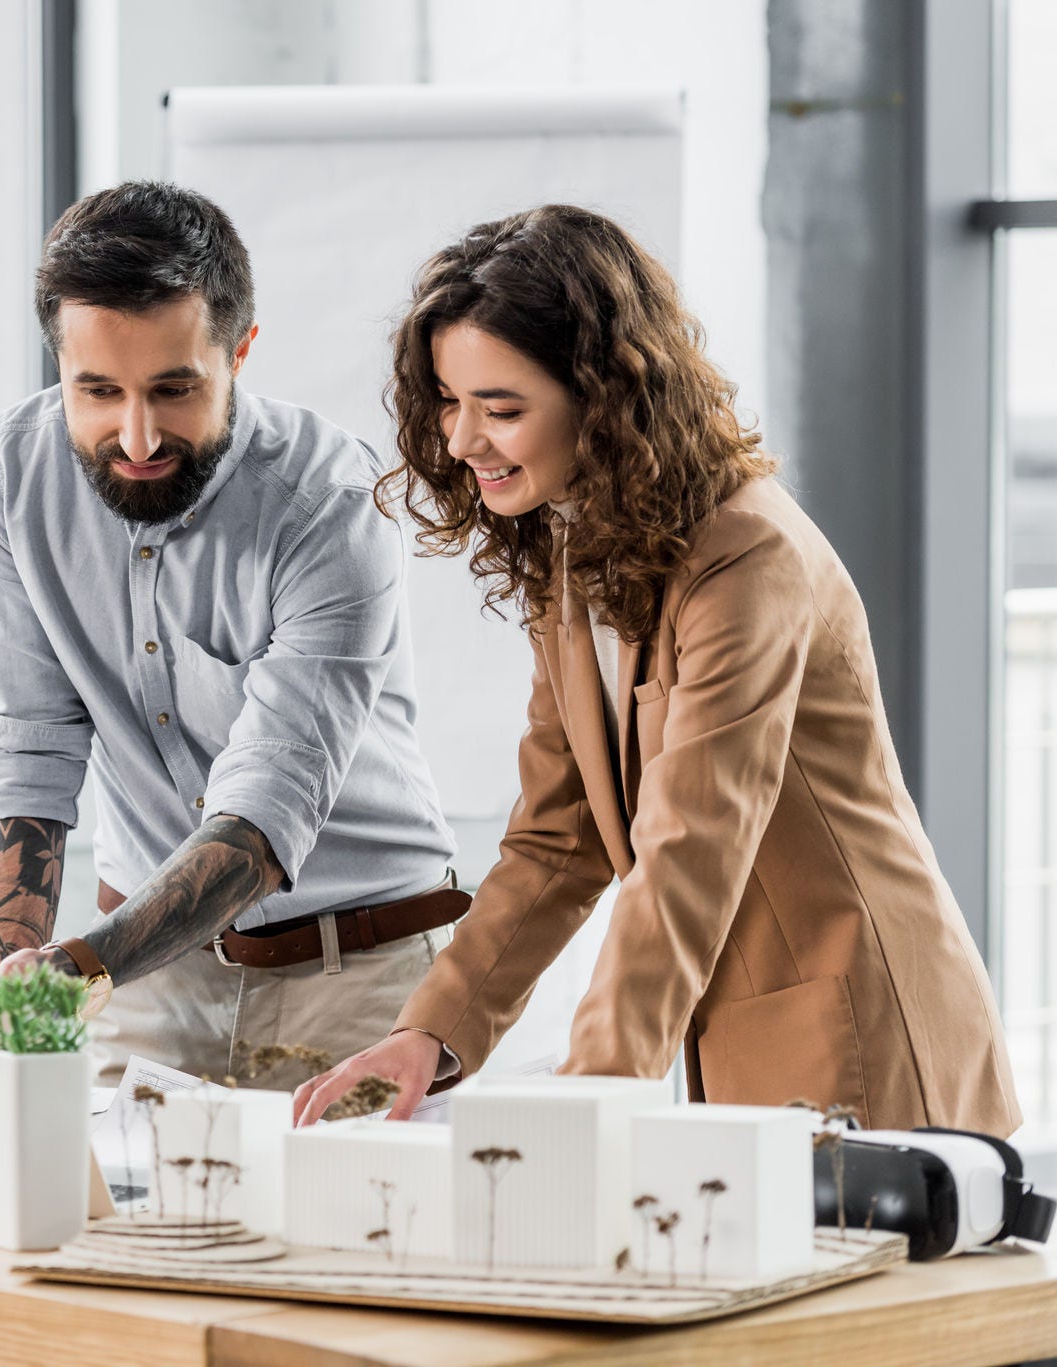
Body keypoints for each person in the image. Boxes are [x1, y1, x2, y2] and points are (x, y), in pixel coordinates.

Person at [294, 204, 1020, 1134]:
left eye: (501, 408)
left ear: (602, 400)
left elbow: (690, 849)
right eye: (449, 400)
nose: (462, 439)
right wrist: (429, 1034)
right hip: (738, 1038)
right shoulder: (573, 549)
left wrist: (587, 1099)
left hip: (863, 1035)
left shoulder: (745, 554)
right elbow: (558, 840)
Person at [0, 181, 462, 1086]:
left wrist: (77, 967)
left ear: (241, 352)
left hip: (357, 977)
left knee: (355, 1231)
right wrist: (5, 997)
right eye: (98, 391)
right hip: (144, 982)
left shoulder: (330, 500)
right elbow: (27, 749)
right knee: (114, 1228)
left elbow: (266, 807)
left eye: (174, 388)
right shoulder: (13, 475)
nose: (138, 434)